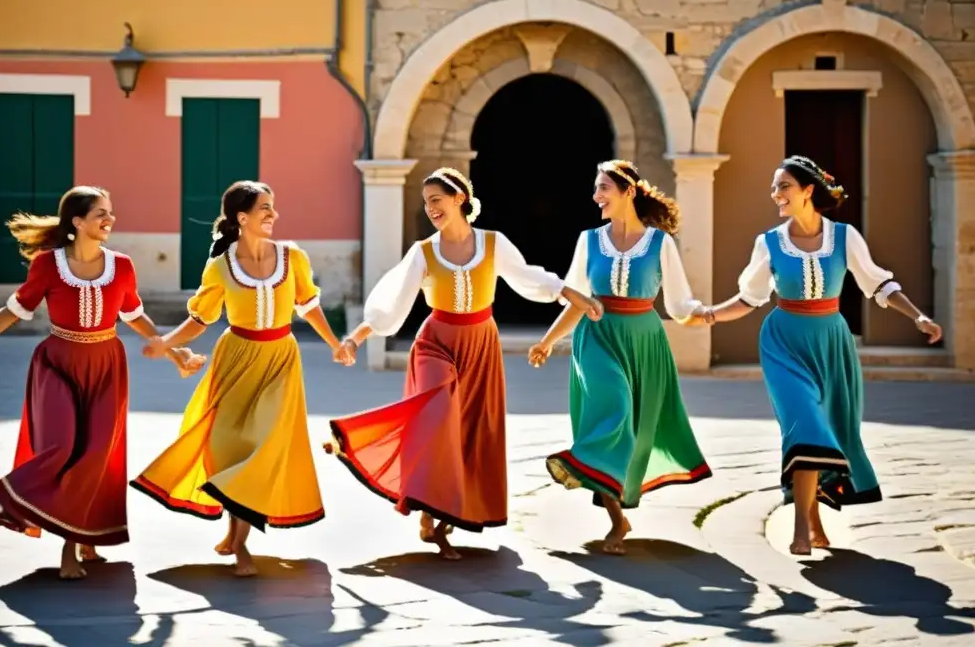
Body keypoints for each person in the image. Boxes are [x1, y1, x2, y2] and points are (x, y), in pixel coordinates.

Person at [325, 167, 603, 560]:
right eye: (426, 203)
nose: (431, 209)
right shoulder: (423, 251)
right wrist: (356, 337)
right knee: (437, 417)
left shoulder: (493, 243)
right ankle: (380, 458)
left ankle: (439, 519)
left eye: (436, 200)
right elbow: (392, 302)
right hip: (436, 343)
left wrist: (576, 296)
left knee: (471, 434)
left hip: (480, 345)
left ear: (459, 198)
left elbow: (530, 278)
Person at [0, 186, 204, 580]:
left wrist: (176, 352)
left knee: (97, 454)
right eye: (101, 213)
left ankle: (84, 537)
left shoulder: (121, 266)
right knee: (63, 448)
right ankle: (54, 535)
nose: (110, 220)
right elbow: (11, 312)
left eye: (111, 212)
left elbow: (135, 316)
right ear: (77, 221)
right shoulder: (48, 266)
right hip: (57, 364)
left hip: (106, 366)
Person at [697, 155, 943, 555]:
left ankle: (814, 521)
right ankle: (799, 530)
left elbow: (878, 284)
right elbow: (750, 297)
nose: (775, 194)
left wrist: (918, 316)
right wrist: (709, 315)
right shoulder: (769, 242)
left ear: (808, 190)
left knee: (829, 429)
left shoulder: (845, 238)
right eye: (775, 187)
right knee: (805, 426)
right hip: (783, 343)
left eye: (783, 186)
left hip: (831, 341)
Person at [133, 180, 344, 577]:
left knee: (262, 444)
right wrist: (166, 343)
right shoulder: (220, 265)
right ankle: (234, 532)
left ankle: (242, 544)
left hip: (281, 359)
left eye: (273, 206)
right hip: (235, 359)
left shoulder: (293, 257)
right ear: (241, 217)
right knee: (230, 447)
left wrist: (335, 344)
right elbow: (200, 319)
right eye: (265, 207)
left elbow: (309, 305)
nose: (273, 214)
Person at [527, 160, 713, 555]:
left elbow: (679, 303)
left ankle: (618, 517)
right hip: (597, 339)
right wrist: (548, 341)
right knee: (614, 409)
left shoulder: (661, 244)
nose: (596, 197)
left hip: (645, 342)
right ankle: (594, 487)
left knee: (635, 433)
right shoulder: (588, 240)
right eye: (596, 189)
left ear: (628, 191)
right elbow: (577, 299)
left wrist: (706, 313)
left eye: (603, 188)